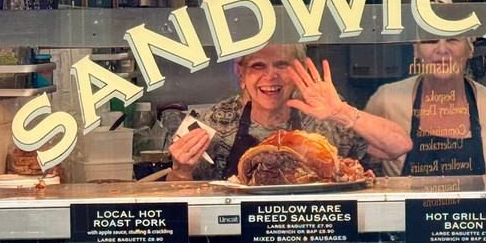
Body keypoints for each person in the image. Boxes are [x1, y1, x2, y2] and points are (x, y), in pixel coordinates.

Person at [169, 43, 412, 181]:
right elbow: (176, 195)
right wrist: (181, 170)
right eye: (258, 66)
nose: (270, 76)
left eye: (281, 65)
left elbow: (399, 145)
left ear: (299, 70)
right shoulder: (210, 122)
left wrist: (341, 112)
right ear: (241, 74)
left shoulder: (324, 115)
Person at [364, 38, 486, 178]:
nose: (442, 50)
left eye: (452, 40)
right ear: (416, 50)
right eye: (431, 40)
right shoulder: (387, 100)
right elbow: (359, 173)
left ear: (470, 50)